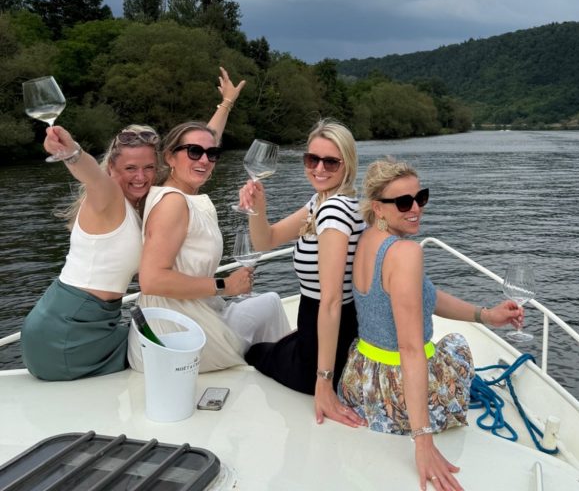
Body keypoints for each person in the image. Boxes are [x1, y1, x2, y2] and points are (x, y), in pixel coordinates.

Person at [20, 68, 244, 381]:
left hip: (90, 324)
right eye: (130, 168)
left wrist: (226, 104)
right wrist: (72, 153)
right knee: (174, 352)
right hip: (68, 333)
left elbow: (197, 151)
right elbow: (90, 174)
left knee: (164, 345)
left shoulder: (144, 198)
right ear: (111, 168)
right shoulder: (108, 197)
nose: (141, 176)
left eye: (149, 167)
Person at [337, 158, 524, 491]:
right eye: (404, 202)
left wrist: (486, 315)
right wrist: (422, 440)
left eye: (420, 197)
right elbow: (410, 348)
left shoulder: (366, 239)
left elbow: (424, 297)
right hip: (398, 395)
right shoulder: (405, 253)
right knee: (456, 345)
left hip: (362, 382)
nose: (416, 209)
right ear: (378, 208)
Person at [127, 121, 291, 373]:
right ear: (170, 157)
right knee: (271, 315)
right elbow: (151, 280)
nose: (204, 160)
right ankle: (288, 371)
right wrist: (225, 285)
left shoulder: (181, 197)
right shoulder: (173, 203)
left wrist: (226, 104)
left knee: (269, 304)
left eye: (212, 153)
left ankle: (282, 367)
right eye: (194, 151)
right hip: (175, 330)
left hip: (190, 311)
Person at [241, 118, 366, 427]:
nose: (319, 168)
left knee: (255, 352)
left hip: (325, 343)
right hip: (332, 329)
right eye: (312, 159)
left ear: (347, 164)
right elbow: (266, 240)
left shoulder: (333, 211)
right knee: (275, 344)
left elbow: (331, 300)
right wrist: (257, 206)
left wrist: (323, 382)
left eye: (330, 162)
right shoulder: (323, 202)